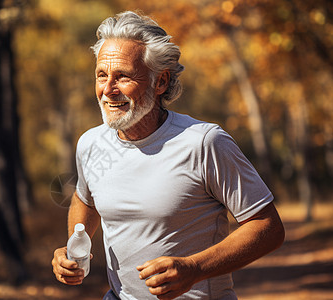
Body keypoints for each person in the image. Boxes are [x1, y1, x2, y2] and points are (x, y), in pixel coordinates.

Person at [51, 11, 285, 300]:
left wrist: (194, 268)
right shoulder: (90, 143)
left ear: (160, 82)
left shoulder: (204, 143)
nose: (108, 90)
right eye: (102, 75)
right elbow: (84, 199)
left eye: (122, 76)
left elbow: (268, 227)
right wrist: (76, 247)